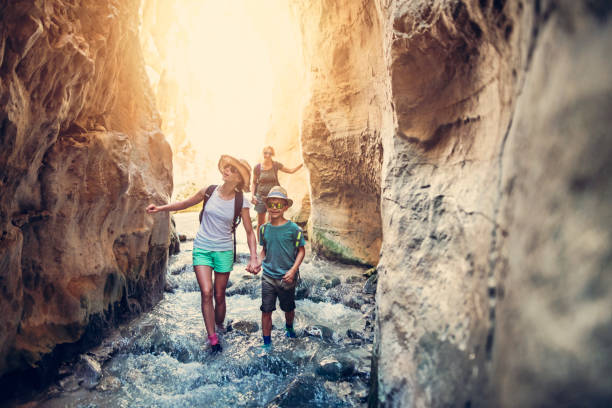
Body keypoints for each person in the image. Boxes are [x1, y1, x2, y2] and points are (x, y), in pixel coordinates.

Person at [146, 155, 260, 353]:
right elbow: (184, 204)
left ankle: (220, 326)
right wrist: (161, 208)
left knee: (219, 294)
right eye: (227, 167)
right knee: (206, 292)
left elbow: (250, 232)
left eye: (233, 170)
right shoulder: (208, 191)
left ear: (239, 179)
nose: (227, 171)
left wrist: (253, 257)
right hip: (202, 248)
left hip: (224, 250)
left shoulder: (241, 202)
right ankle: (213, 338)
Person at [253, 186, 306, 351]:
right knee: (266, 310)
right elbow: (264, 251)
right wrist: (257, 262)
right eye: (271, 205)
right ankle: (267, 343)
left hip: (287, 277)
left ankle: (289, 328)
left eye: (278, 205)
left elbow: (301, 251)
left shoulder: (294, 229)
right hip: (268, 276)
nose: (274, 208)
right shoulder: (263, 229)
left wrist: (293, 271)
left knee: (288, 308)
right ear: (267, 206)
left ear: (285, 207)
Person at [251, 146, 303, 243]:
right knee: (260, 222)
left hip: (273, 198)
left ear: (272, 155)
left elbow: (291, 171)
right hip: (260, 197)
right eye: (265, 153)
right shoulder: (257, 167)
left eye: (270, 153)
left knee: (272, 221)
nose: (267, 155)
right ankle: (260, 244)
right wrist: (253, 195)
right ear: (263, 154)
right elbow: (254, 182)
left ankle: (271, 241)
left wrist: (303, 163)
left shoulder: (276, 165)